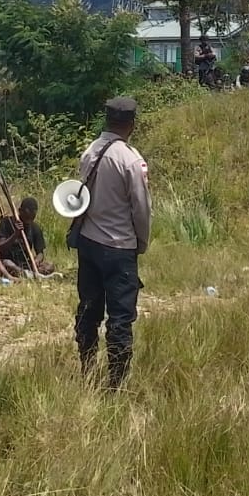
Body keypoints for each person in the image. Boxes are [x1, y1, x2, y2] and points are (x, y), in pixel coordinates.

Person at [72, 96, 151, 389]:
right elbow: (141, 208)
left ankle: (87, 369)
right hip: (119, 247)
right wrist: (141, 242)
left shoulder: (90, 150)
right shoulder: (130, 159)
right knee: (120, 317)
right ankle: (115, 383)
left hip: (89, 242)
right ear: (131, 124)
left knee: (89, 308)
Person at [0, 197, 52, 276]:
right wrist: (15, 235)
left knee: (49, 266)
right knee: (7, 263)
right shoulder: (6, 222)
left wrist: (37, 260)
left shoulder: (35, 228)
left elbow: (40, 252)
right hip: (9, 261)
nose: (28, 221)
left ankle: (27, 273)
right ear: (20, 211)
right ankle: (27, 274)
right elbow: (0, 247)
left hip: (26, 264)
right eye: (26, 217)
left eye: (31, 218)